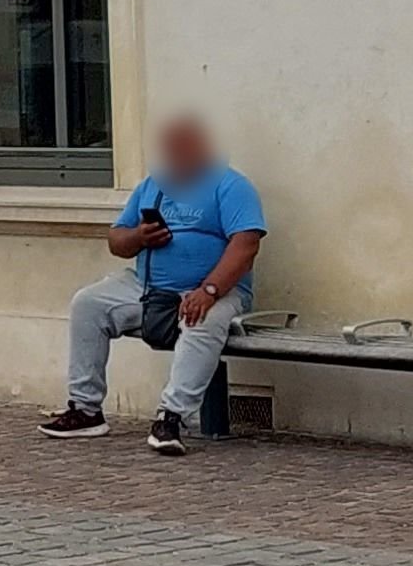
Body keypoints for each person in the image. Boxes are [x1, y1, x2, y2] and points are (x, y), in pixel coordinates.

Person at [37, 110, 265, 456]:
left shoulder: (231, 185)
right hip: (146, 285)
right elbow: (116, 241)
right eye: (170, 148)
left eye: (183, 146)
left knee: (202, 320)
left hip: (214, 288)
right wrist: (140, 237)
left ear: (203, 147)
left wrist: (209, 290)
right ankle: (86, 410)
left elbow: (246, 244)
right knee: (88, 303)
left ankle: (172, 417)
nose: (176, 155)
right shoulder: (152, 185)